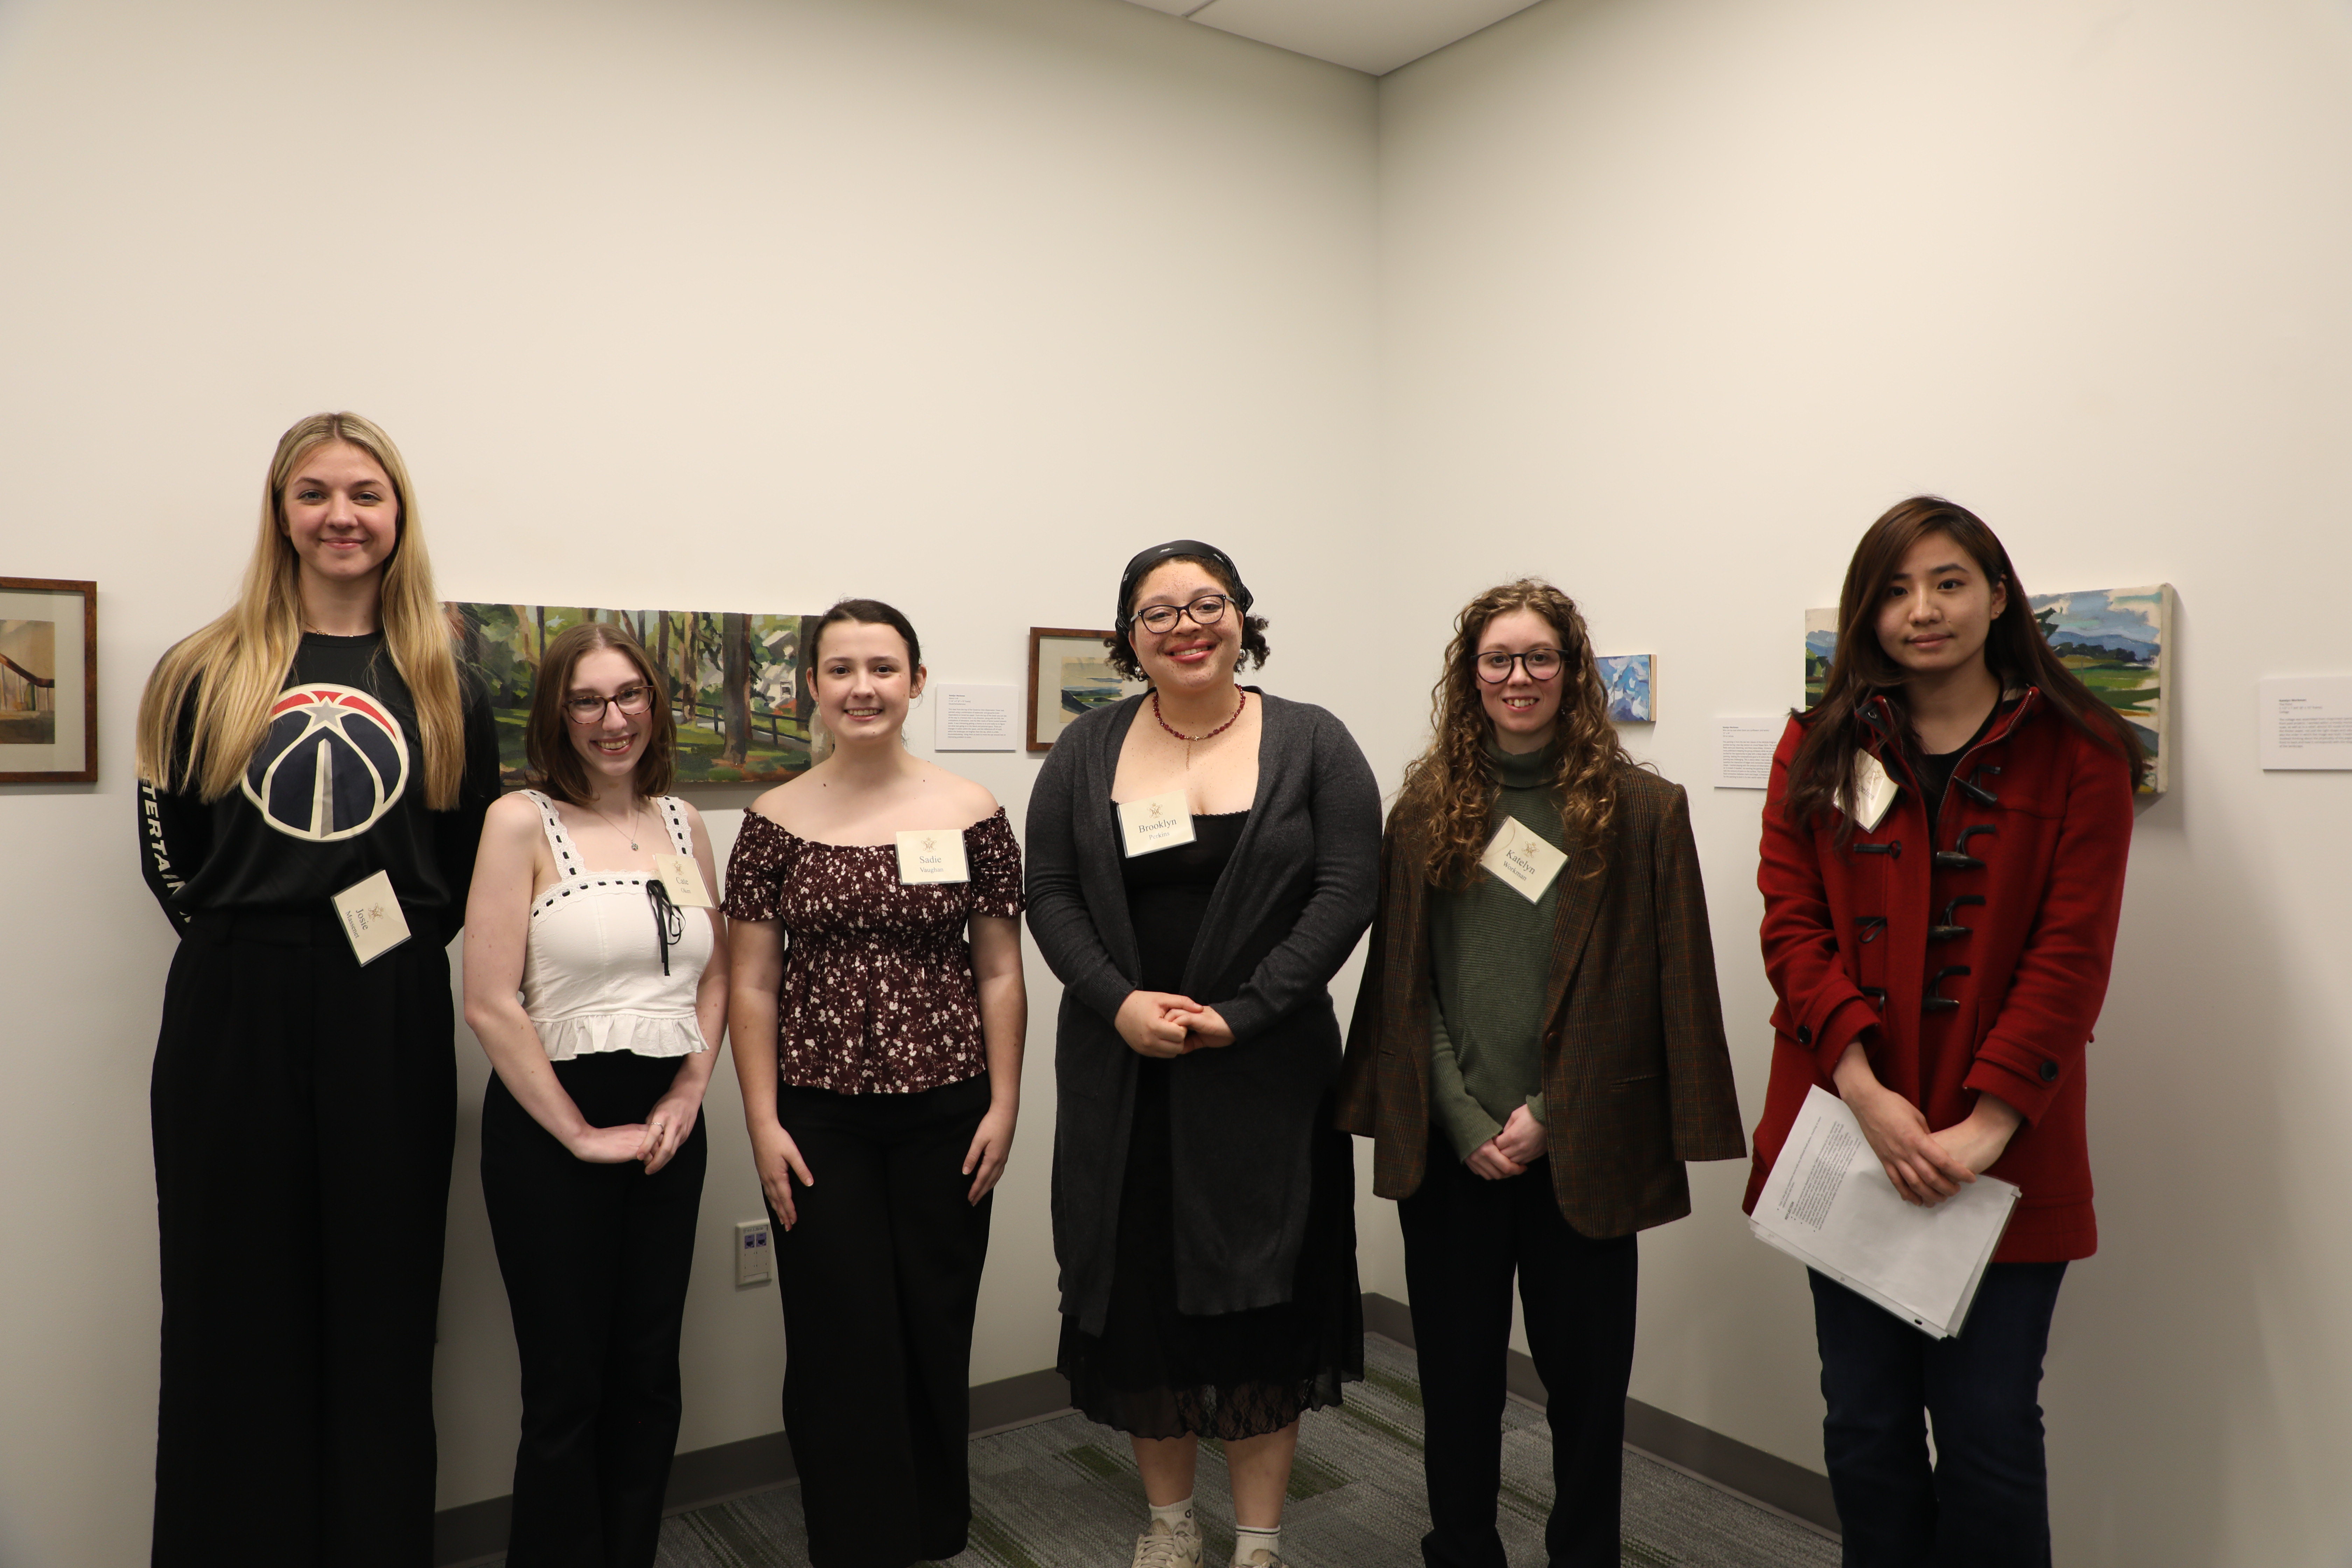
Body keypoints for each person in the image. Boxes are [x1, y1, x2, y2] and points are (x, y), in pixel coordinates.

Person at [133, 412, 499, 1566]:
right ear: (280, 512)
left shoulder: (442, 677)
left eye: (366, 494)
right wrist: (266, 944)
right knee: (227, 1303)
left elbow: (467, 854)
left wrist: (378, 952)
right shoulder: (205, 666)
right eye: (314, 493)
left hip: (385, 1004)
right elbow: (170, 853)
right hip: (234, 1003)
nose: (341, 516)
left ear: (398, 517)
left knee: (386, 1305)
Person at [1749, 496, 2141, 1566]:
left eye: (1950, 582)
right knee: (1865, 1432)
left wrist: (1985, 1127)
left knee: (1989, 1438)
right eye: (1895, 589)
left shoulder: (2082, 753)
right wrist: (1866, 1092)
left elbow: (2072, 956)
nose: (1923, 610)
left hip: (2001, 1155)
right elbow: (1793, 926)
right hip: (1847, 1129)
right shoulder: (1818, 745)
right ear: (1866, 611)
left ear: (2000, 596)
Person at [1335, 579, 1744, 1568]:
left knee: (1588, 1395)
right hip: (1452, 1153)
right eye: (1497, 660)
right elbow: (1404, 987)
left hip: (1585, 1153)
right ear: (1469, 676)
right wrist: (1465, 1118)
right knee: (1458, 1384)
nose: (1518, 678)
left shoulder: (1643, 812)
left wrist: (1548, 1114)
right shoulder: (1426, 808)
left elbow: (1662, 985)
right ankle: (1463, 1547)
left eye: (1540, 658)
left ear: (1574, 672)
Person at [1027, 541, 1380, 1568]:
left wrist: (1248, 1012)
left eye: (1207, 603)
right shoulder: (1088, 747)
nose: (1186, 624)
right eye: (1159, 611)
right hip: (1123, 1077)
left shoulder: (1314, 742)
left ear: (1242, 618)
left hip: (1267, 1079)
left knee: (1264, 1307)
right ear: (1131, 638)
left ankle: (1260, 1538)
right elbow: (1048, 891)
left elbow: (1348, 889)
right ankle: (1171, 1524)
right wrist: (1117, 1000)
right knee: (1143, 1303)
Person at [722, 598, 1026, 1568]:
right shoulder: (772, 821)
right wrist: (762, 1122)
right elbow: (752, 982)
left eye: (884, 669)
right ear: (813, 685)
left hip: (949, 1107)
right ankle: (855, 1535)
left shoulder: (974, 812)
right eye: (842, 669)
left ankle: (934, 1525)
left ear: (917, 683)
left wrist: (1008, 1104)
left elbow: (1000, 971)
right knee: (837, 1329)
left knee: (935, 1316)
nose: (864, 688)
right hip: (818, 1117)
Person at [461, 621, 727, 1567]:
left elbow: (714, 976)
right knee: (568, 1386)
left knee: (650, 1374)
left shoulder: (683, 821)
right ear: (557, 714)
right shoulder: (519, 822)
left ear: (654, 704)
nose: (612, 720)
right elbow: (490, 1004)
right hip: (551, 1132)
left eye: (629, 696)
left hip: (667, 1126)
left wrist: (690, 1095)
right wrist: (578, 1136)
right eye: (587, 700)